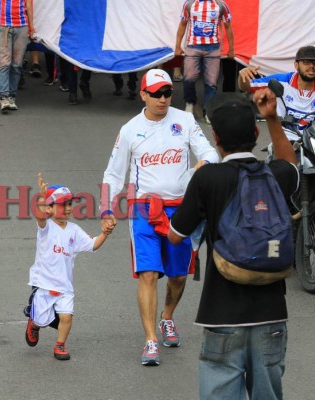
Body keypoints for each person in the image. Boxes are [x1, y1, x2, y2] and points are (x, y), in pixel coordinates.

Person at [168, 89, 298, 399]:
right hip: (272, 312)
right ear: (255, 133)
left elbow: (176, 234)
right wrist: (273, 119)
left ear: (215, 137)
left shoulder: (209, 178)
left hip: (222, 312)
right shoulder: (274, 175)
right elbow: (290, 163)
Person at [100, 69, 219, 366]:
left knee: (178, 276)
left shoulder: (185, 120)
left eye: (167, 93)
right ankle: (150, 339)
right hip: (144, 209)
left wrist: (203, 164)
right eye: (156, 94)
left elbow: (209, 152)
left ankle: (167, 317)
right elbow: (113, 174)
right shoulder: (130, 130)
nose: (163, 99)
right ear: (143, 95)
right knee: (148, 273)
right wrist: (106, 209)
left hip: (181, 208)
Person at [25, 173, 114, 360]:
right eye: (61, 204)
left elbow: (92, 245)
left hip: (65, 286)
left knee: (66, 317)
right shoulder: (46, 228)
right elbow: (39, 216)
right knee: (42, 320)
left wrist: (104, 234)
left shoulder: (74, 230)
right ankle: (34, 324)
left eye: (69, 204)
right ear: (49, 208)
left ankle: (60, 345)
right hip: (44, 284)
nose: (67, 208)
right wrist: (41, 198)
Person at [174, 0, 235, 123]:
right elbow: (182, 24)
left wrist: (231, 49)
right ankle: (189, 104)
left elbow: (228, 27)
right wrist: (177, 46)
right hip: (193, 47)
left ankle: (208, 110)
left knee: (211, 82)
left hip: (213, 49)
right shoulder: (189, 4)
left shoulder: (221, 5)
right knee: (189, 77)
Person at [238, 45, 315, 130]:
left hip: (314, 141)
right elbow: (246, 87)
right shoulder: (281, 80)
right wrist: (242, 76)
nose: (312, 66)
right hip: (283, 138)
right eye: (306, 62)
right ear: (296, 65)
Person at [0, 0, 35, 113]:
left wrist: (31, 26)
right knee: (4, 63)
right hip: (3, 26)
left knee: (17, 64)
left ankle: (12, 97)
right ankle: (4, 97)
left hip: (22, 26)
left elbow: (28, 5)